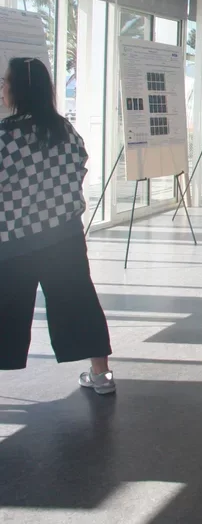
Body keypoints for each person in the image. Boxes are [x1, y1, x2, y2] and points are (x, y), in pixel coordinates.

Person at [0, 57, 115, 394]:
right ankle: (102, 375)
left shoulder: (6, 137)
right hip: (64, 236)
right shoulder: (64, 128)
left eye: (5, 81)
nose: (2, 88)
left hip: (14, 241)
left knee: (5, 309)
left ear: (17, 88)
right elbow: (78, 169)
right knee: (78, 302)